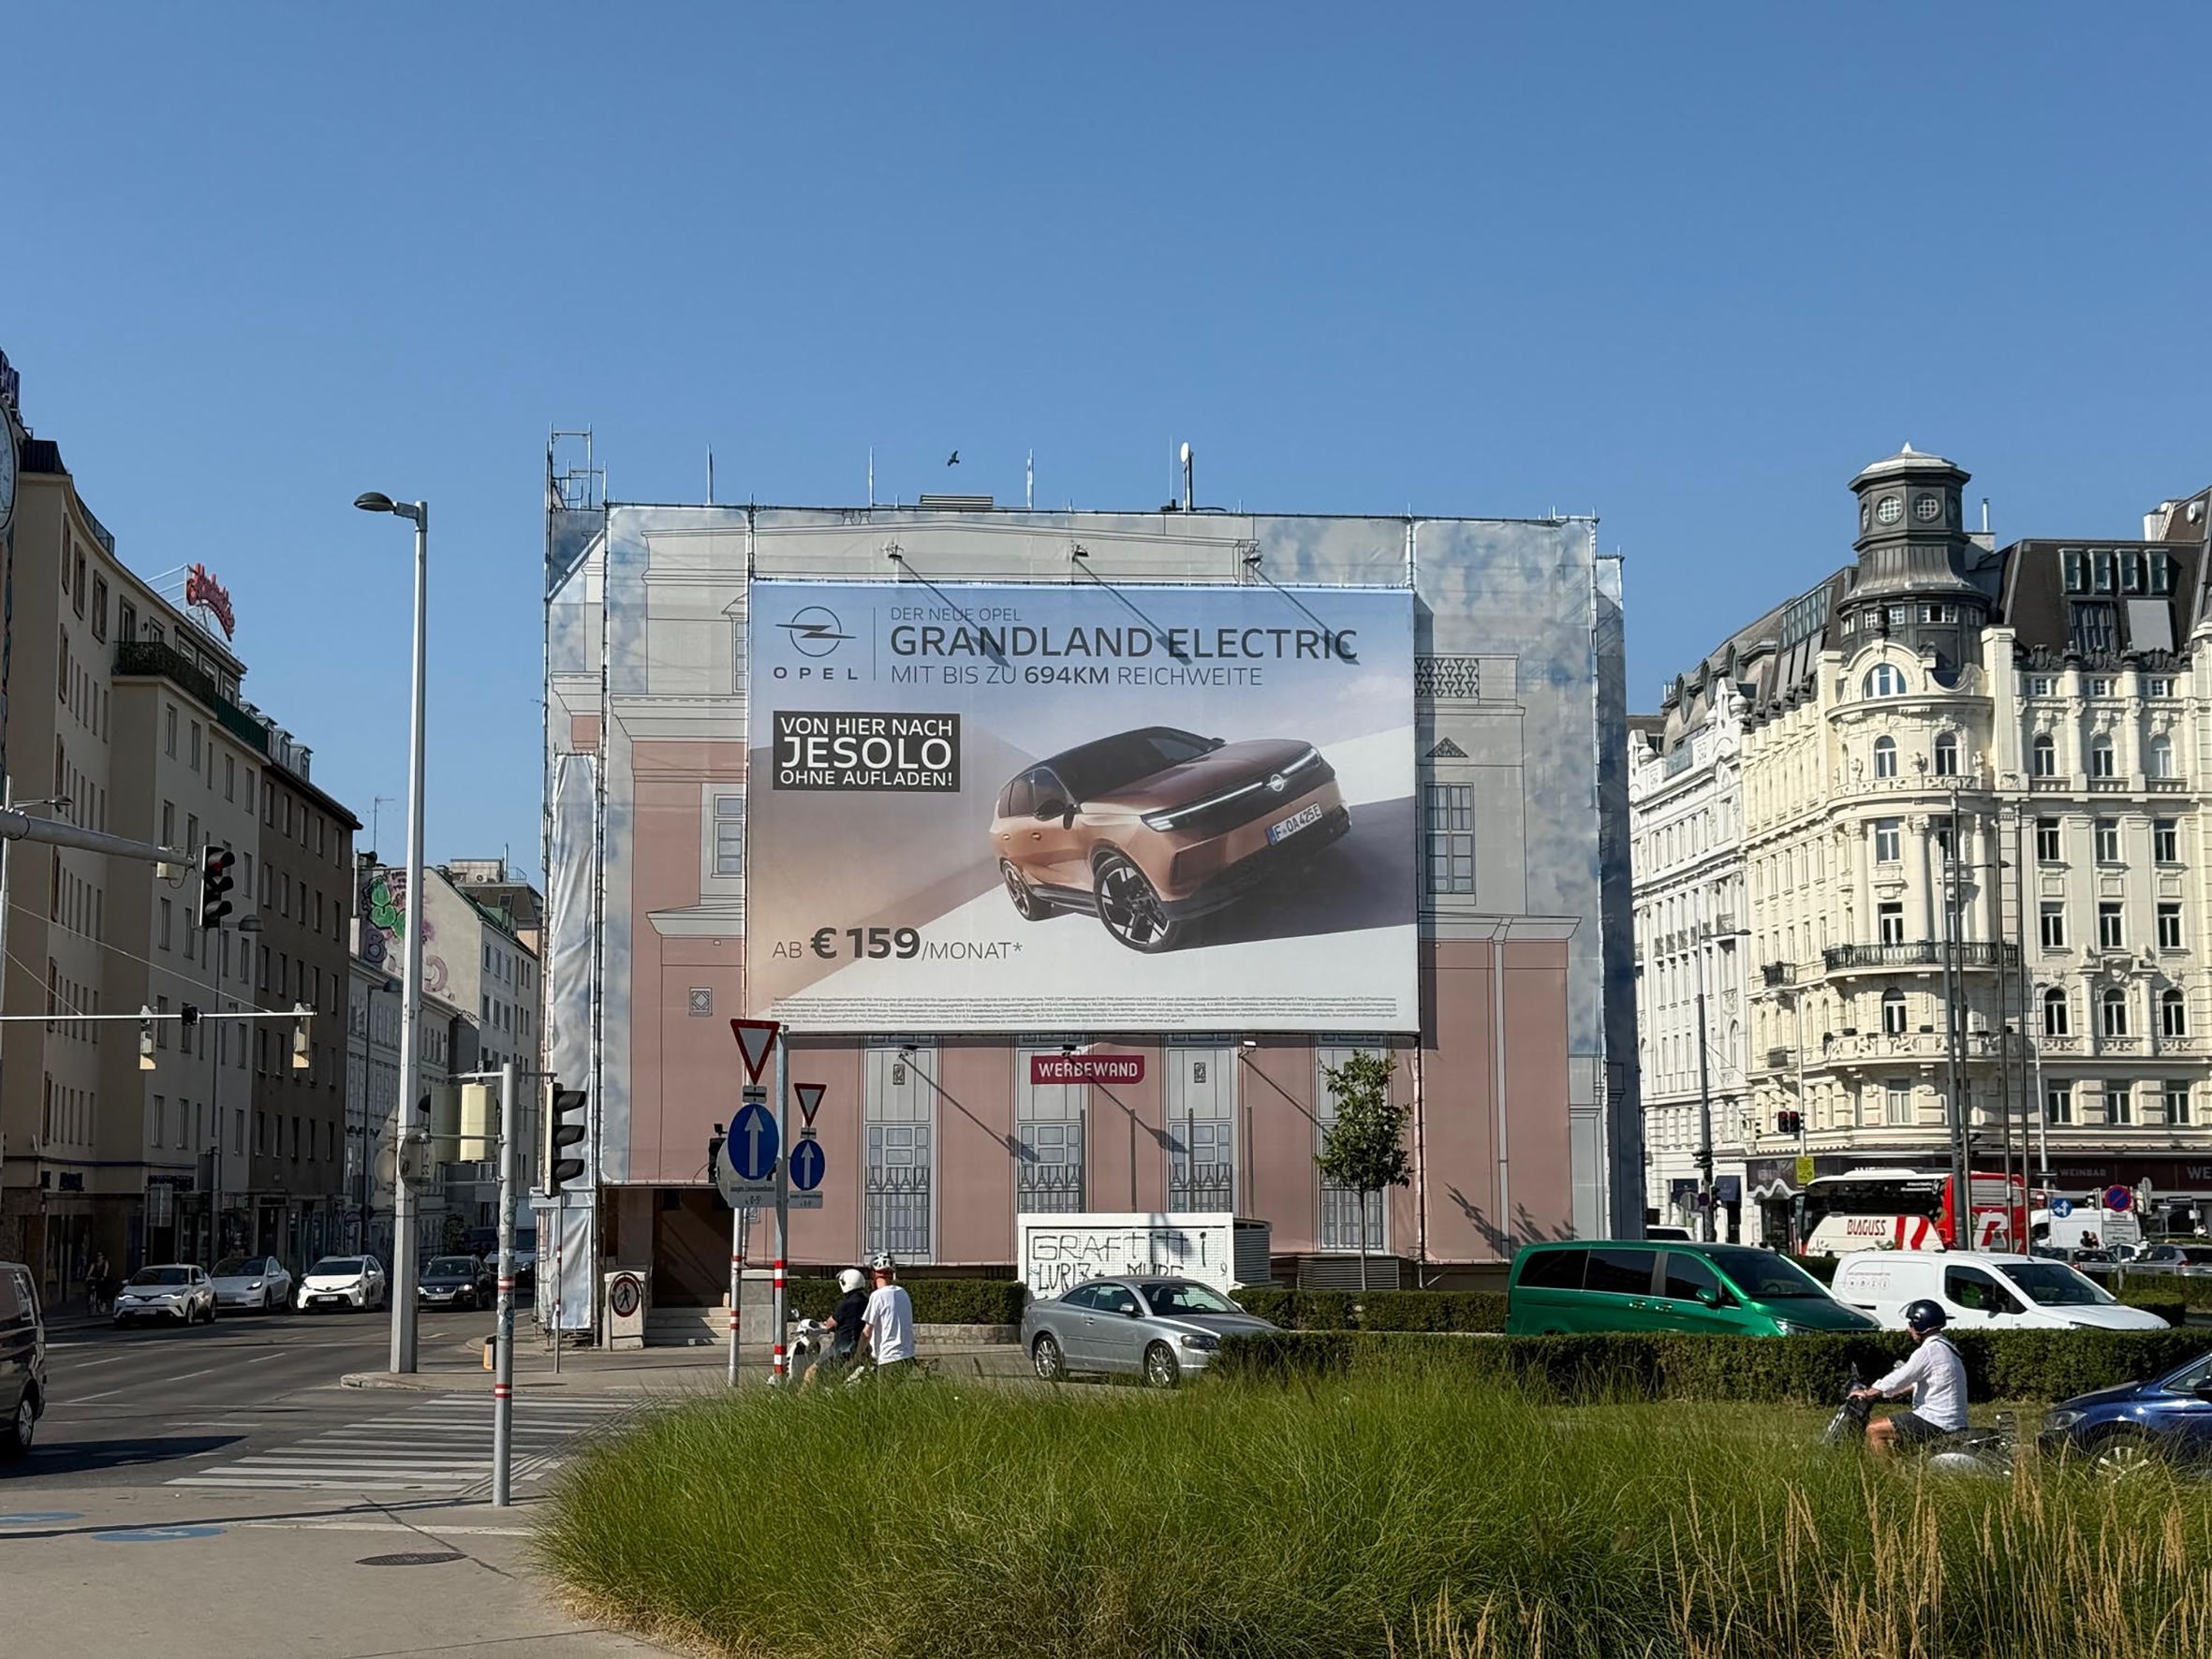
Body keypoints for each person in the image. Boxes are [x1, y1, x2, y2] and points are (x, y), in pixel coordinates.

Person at [1851, 1299, 1968, 1458]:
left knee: (1874, 1429)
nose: (1909, 1329)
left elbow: (1902, 1376)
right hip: (1950, 1418)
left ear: (1920, 1325)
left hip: (1937, 1420)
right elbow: (1927, 1380)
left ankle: (1888, 1479)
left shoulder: (1929, 1350)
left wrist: (1870, 1392)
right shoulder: (1946, 1347)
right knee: (1900, 1443)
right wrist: (1894, 1392)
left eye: (1911, 1324)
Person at [803, 1268, 870, 1389]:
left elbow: (830, 1324)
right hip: (862, 1348)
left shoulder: (846, 1304)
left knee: (811, 1372)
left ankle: (800, 1401)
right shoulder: (868, 1301)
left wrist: (827, 1325)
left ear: (845, 1284)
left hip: (841, 1348)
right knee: (837, 1378)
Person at [860, 1252, 917, 1377]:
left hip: (889, 1359)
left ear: (874, 1273)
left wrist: (857, 1355)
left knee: (879, 1396)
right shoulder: (903, 1293)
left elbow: (867, 1331)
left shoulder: (877, 1296)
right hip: (908, 1356)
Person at [85, 1251, 111, 1316]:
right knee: (92, 1288)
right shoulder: (94, 1263)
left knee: (101, 1291)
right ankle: (92, 1305)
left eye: (100, 1256)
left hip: (102, 1279)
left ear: (102, 1257)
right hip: (95, 1278)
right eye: (97, 1256)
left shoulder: (105, 1262)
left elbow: (106, 1270)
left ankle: (102, 1302)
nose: (98, 1257)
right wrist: (88, 1276)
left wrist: (104, 1276)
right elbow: (90, 1270)